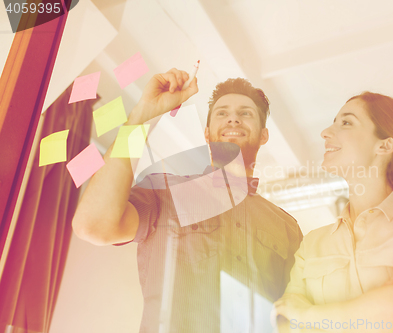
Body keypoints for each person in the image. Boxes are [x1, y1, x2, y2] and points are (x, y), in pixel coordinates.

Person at [72, 68, 303, 333]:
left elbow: (293, 318)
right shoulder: (164, 192)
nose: (233, 120)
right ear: (207, 133)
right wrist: (142, 114)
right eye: (222, 113)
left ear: (263, 135)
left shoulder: (287, 228)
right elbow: (92, 225)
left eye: (246, 114)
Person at [273, 92, 393, 332]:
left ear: (386, 144)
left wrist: (307, 314)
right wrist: (384, 302)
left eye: (346, 122)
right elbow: (284, 322)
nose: (325, 132)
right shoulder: (312, 244)